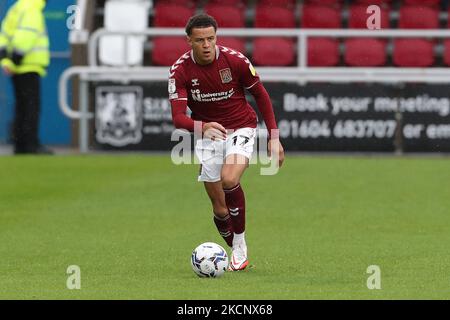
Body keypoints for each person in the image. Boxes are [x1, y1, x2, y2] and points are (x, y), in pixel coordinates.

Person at [168, 14, 285, 271]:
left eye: (211, 38)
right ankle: (233, 251)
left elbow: (261, 95)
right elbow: (178, 118)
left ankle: (240, 245)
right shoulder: (180, 71)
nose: (207, 45)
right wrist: (202, 127)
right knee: (220, 210)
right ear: (189, 41)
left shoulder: (235, 61)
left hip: (241, 127)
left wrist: (274, 137)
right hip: (208, 135)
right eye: (200, 40)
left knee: (229, 179)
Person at [0, 0, 52, 154]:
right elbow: (26, 36)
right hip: (28, 65)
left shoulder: (17, 7)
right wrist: (15, 59)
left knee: (21, 107)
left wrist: (6, 60)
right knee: (30, 107)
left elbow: (3, 35)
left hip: (16, 66)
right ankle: (30, 145)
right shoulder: (32, 9)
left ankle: (21, 145)